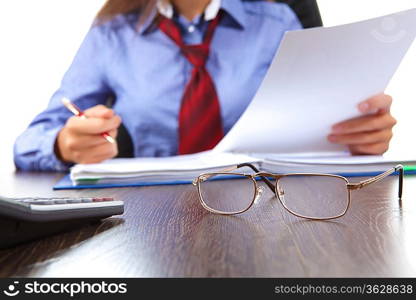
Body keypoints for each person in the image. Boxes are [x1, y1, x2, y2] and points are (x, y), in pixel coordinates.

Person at [14, 0, 396, 171]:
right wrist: (63, 144)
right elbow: (33, 139)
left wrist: (359, 136)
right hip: (150, 220)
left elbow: (326, 119)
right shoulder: (111, 34)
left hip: (268, 208)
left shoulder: (278, 19)